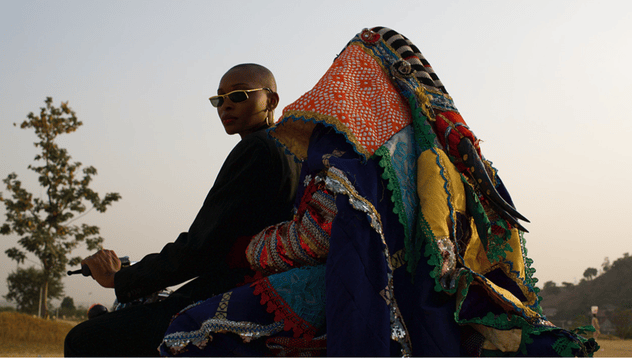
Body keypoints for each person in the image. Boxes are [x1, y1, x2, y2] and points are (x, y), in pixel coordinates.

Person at [158, 28, 600, 357]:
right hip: (429, 306)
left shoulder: (354, 157)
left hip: (355, 297)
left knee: (189, 329)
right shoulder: (435, 160)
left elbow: (315, 238)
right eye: (219, 100)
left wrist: (251, 249)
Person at [64, 63, 301, 356]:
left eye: (238, 96)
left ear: (271, 100)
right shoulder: (290, 149)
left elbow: (200, 248)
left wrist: (120, 278)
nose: (225, 105)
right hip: (266, 289)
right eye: (219, 99)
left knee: (85, 339)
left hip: (233, 289)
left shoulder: (256, 149)